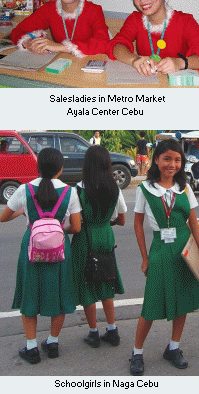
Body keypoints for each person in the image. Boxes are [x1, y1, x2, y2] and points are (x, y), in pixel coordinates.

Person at [130, 139, 199, 375]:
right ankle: (137, 352)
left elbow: (194, 224)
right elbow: (137, 224)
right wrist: (145, 258)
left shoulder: (184, 188)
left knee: (182, 300)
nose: (172, 164)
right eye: (167, 159)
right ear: (156, 160)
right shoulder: (145, 189)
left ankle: (173, 347)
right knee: (152, 304)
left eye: (177, 159)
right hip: (161, 251)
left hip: (184, 250)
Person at [0, 148, 81, 364]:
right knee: (60, 293)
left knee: (30, 294)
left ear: (38, 167)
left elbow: (3, 217)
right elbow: (76, 227)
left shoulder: (24, 189)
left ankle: (31, 348)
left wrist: (24, 212)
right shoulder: (70, 192)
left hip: (32, 250)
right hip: (59, 250)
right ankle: (53, 343)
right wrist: (58, 229)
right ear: (60, 168)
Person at [71, 145, 127, 348]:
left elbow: (75, 225)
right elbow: (122, 220)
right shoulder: (115, 189)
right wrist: (105, 222)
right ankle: (112, 330)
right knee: (106, 280)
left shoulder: (77, 190)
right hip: (105, 236)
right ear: (106, 164)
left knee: (87, 284)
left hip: (85, 239)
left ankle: (93, 333)